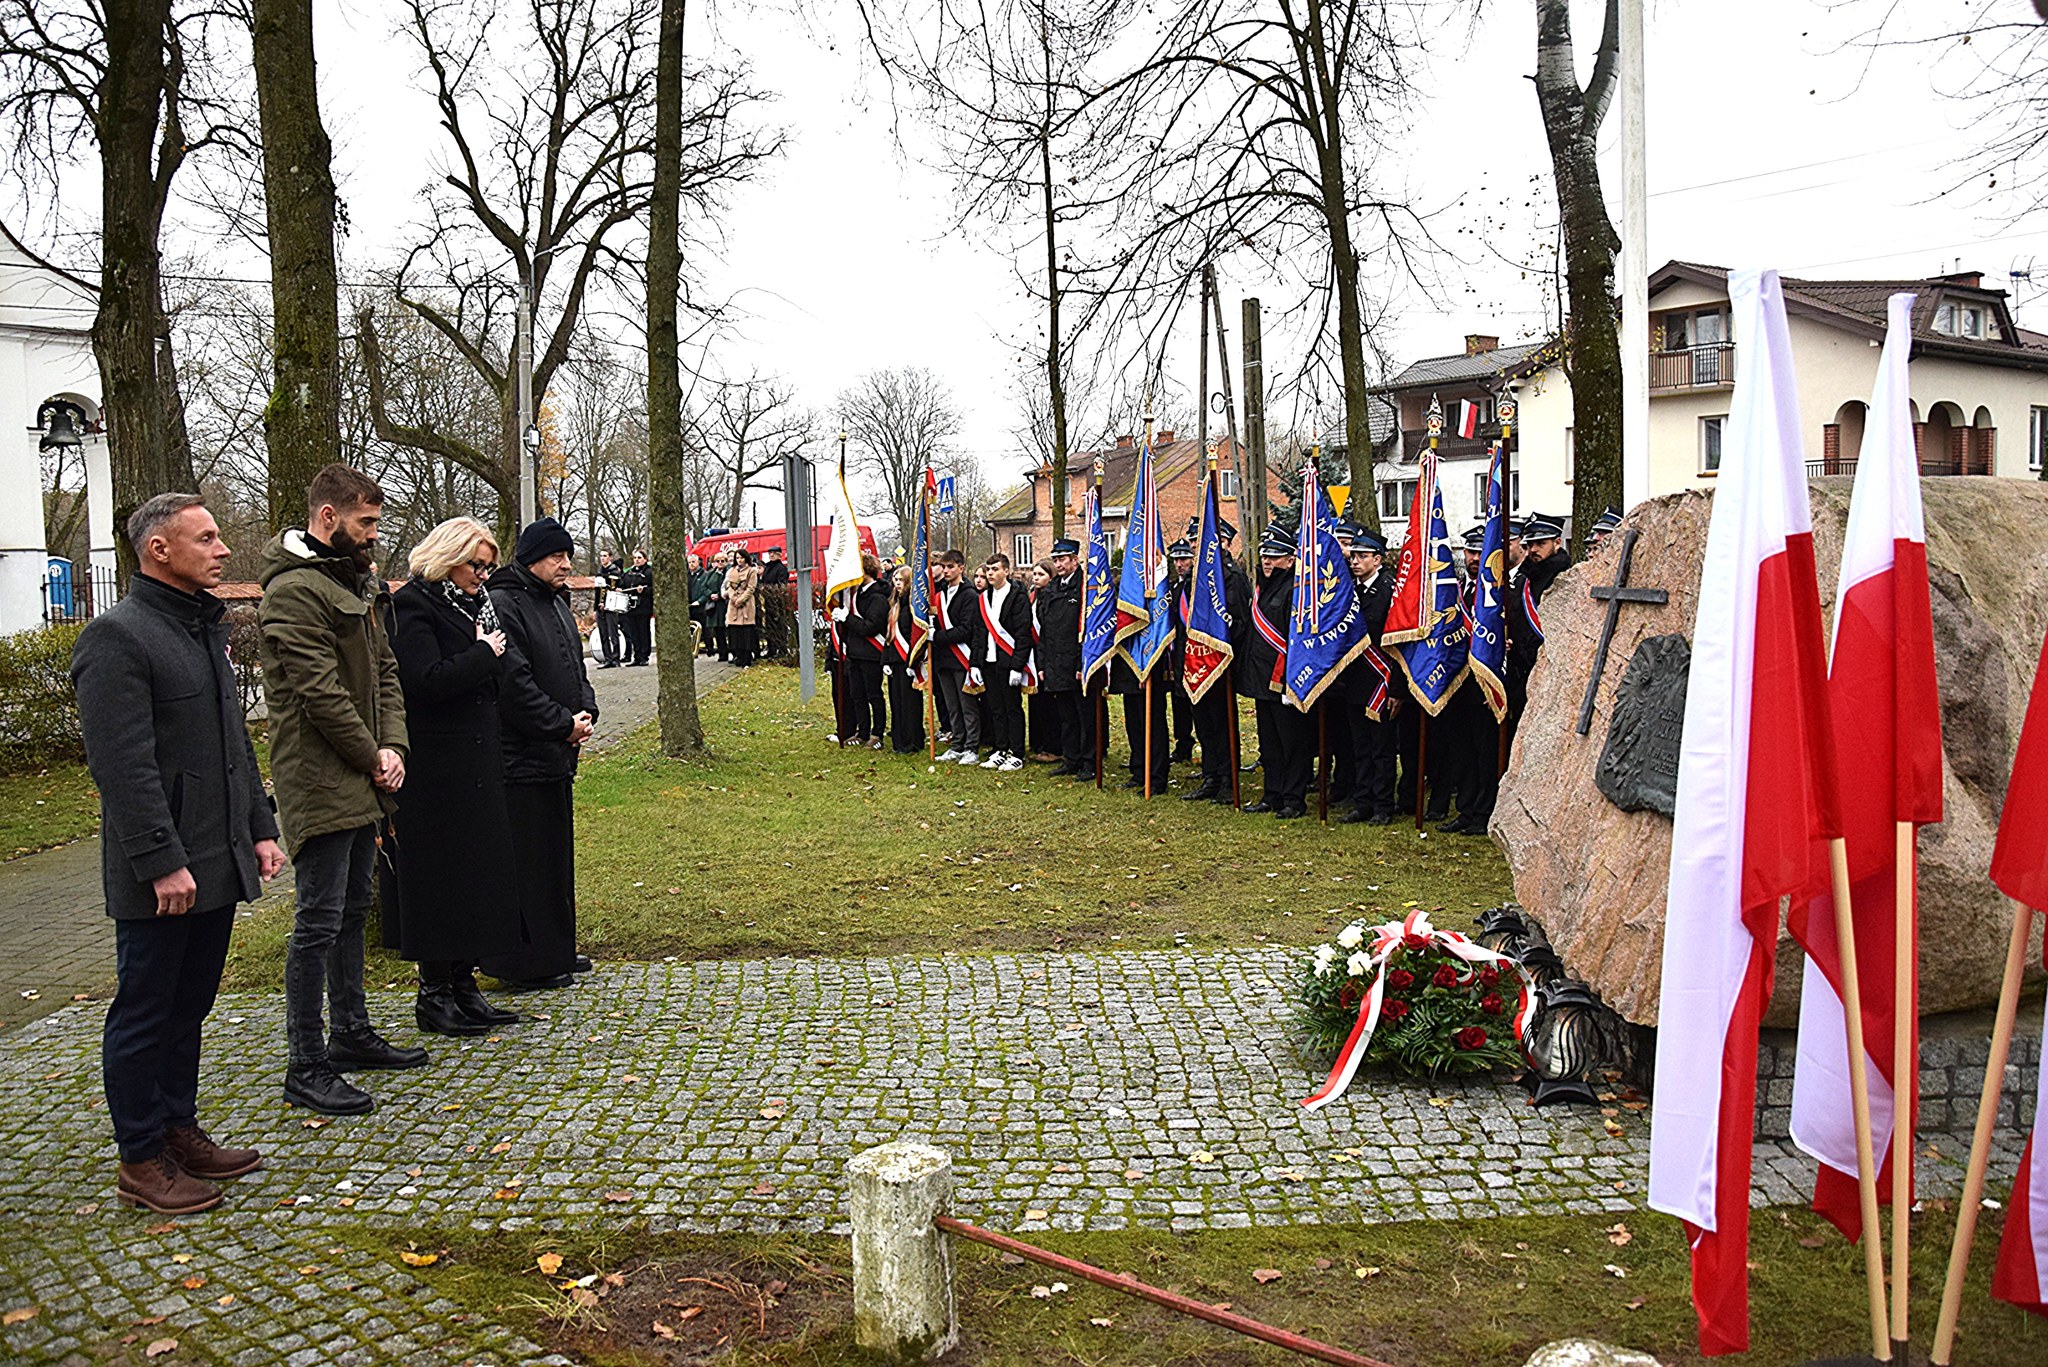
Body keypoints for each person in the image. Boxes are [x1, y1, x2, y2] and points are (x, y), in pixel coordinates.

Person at [73, 492, 285, 1213]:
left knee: (189, 1003)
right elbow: (122, 766)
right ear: (159, 549)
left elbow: (233, 742)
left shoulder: (202, 629)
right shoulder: (118, 637)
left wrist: (259, 826)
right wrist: (161, 858)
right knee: (146, 1008)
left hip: (216, 856)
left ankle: (178, 1127)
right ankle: (140, 1156)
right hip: (162, 868)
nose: (224, 549)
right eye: (209, 537)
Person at [257, 463, 422, 1117]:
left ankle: (350, 1031)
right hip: (321, 775)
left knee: (354, 907)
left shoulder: (358, 581)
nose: (375, 535)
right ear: (328, 517)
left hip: (363, 771)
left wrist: (394, 747)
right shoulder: (294, 591)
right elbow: (318, 692)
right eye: (366, 522)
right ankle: (306, 1061)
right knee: (318, 920)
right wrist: (372, 755)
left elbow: (385, 670)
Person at [382, 516, 524, 1035]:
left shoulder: (470, 605)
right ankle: (434, 991)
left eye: (488, 566)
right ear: (448, 556)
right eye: (475, 564)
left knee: (475, 874)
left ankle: (465, 983)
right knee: (441, 878)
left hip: (475, 761)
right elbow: (426, 680)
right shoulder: (414, 607)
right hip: (436, 768)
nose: (483, 575)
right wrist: (484, 653)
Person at [481, 516, 599, 992]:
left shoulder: (552, 602)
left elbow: (574, 663)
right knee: (527, 863)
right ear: (532, 558)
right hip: (521, 756)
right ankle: (524, 961)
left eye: (567, 556)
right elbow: (514, 682)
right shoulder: (505, 603)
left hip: (554, 754)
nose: (565, 564)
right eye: (556, 556)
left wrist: (586, 709)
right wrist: (560, 723)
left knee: (554, 858)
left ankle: (555, 950)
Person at [1236, 526, 1310, 818]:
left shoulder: (1295, 589)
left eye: (1275, 557)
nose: (1267, 562)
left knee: (1292, 742)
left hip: (1286, 679)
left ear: (1290, 560)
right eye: (1265, 556)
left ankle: (1294, 798)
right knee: (1270, 743)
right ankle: (1273, 794)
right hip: (1261, 678)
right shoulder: (1262, 588)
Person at [1338, 528, 1400, 824]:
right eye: (1353, 556)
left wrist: (1398, 690)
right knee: (1359, 746)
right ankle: (1362, 801)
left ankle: (1383, 805)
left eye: (1362, 556)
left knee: (1381, 749)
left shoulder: (1390, 591)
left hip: (1382, 682)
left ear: (1378, 559)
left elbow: (1400, 642)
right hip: (1356, 680)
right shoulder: (1350, 591)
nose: (1355, 561)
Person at [1035, 538, 1088, 779]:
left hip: (1075, 662)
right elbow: (1045, 631)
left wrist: (1080, 664)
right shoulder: (1052, 589)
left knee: (1083, 715)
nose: (1059, 564)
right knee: (1066, 716)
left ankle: (1089, 761)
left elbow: (1086, 631)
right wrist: (1043, 663)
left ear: (1074, 560)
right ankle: (1071, 759)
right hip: (1055, 662)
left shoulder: (1085, 588)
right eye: (1055, 560)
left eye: (1063, 559)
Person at [975, 553, 1031, 772]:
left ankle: (1016, 753)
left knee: (1012, 708)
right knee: (995, 708)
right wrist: (975, 664)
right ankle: (1001, 749)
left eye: (995, 569)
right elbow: (979, 633)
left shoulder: (1017, 596)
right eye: (988, 569)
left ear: (1006, 571)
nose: (990, 573)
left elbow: (1022, 633)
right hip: (988, 660)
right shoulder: (984, 598)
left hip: (1008, 661)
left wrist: (1017, 665)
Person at [930, 550, 985, 765]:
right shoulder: (940, 594)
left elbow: (966, 629)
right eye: (943, 567)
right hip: (944, 658)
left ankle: (972, 747)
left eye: (950, 567)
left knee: (967, 705)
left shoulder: (969, 595)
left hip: (961, 657)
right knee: (952, 705)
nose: (946, 571)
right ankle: (957, 744)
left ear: (961, 568)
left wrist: (938, 636)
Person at [836, 553, 889, 747]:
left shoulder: (877, 597)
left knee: (873, 694)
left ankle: (877, 733)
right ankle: (863, 731)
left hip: (871, 653)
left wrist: (847, 618)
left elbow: (870, 627)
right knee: (857, 694)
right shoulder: (855, 594)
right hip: (855, 653)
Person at [884, 564, 927, 754]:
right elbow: (889, 635)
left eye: (901, 580)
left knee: (910, 702)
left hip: (908, 660)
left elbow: (914, 635)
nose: (897, 583)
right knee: (896, 701)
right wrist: (886, 661)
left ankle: (913, 740)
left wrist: (913, 660)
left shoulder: (912, 606)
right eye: (895, 579)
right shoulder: (894, 603)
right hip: (894, 660)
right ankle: (899, 739)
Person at [1024, 561, 1059, 761]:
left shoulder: (1051, 597)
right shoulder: (1032, 597)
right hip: (1034, 654)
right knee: (1035, 700)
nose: (1036, 578)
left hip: (1048, 653)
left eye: (1041, 574)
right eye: (1034, 574)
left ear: (1050, 577)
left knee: (1049, 703)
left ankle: (1052, 746)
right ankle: (1038, 742)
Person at [722, 548, 761, 667]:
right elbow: (728, 586)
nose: (739, 560)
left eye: (741, 558)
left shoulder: (751, 571)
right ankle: (737, 655)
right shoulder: (731, 571)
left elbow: (751, 588)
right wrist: (733, 598)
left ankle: (747, 657)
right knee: (735, 632)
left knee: (746, 631)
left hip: (746, 603)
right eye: (737, 558)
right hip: (733, 603)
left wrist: (741, 599)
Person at [619, 548, 654, 666]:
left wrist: (644, 590)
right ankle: (637, 655)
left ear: (645, 559)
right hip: (631, 607)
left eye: (639, 558)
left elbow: (654, 589)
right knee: (633, 632)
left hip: (643, 607)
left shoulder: (649, 572)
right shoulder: (629, 572)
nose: (637, 560)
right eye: (635, 558)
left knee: (643, 632)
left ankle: (645, 656)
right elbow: (623, 584)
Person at [593, 549, 625, 668]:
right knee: (603, 633)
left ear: (610, 558)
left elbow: (616, 588)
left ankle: (616, 658)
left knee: (613, 633)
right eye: (601, 556)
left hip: (611, 606)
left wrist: (606, 602)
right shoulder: (599, 572)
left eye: (605, 556)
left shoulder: (614, 572)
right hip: (599, 606)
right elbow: (598, 590)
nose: (602, 558)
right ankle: (607, 658)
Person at [760, 545, 792, 659]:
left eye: (773, 553)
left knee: (779, 626)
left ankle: (782, 649)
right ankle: (771, 649)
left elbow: (781, 585)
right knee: (770, 626)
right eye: (770, 553)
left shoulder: (781, 569)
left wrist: (771, 591)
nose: (771, 555)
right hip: (768, 601)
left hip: (777, 602)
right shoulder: (768, 567)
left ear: (779, 555)